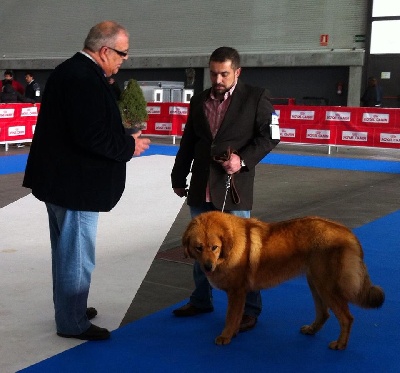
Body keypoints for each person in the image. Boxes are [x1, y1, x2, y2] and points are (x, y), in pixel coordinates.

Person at [22, 20, 150, 341]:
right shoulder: (83, 78)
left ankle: (71, 308)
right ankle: (72, 321)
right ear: (104, 50)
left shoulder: (71, 72)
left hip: (61, 182)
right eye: (122, 53)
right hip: (76, 186)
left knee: (66, 254)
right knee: (77, 256)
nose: (124, 60)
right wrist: (128, 145)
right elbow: (91, 135)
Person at [171, 46, 280, 332]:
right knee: (200, 249)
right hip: (200, 187)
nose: (218, 80)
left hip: (234, 190)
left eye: (224, 74)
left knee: (242, 256)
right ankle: (201, 299)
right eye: (213, 73)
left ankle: (249, 309)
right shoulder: (199, 100)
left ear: (237, 72)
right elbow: (189, 142)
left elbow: (271, 136)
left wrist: (241, 160)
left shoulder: (256, 97)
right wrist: (177, 176)